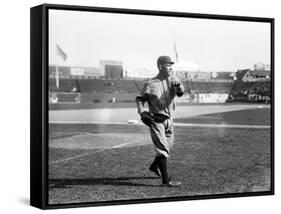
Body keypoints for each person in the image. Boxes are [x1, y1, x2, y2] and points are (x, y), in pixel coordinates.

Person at [136, 55, 185, 187]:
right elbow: (140, 99)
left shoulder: (173, 80)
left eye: (171, 65)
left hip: (169, 120)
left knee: (168, 147)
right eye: (167, 65)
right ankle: (165, 181)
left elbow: (180, 92)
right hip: (156, 120)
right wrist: (142, 113)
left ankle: (154, 166)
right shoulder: (150, 83)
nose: (170, 67)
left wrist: (178, 88)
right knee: (163, 149)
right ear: (160, 66)